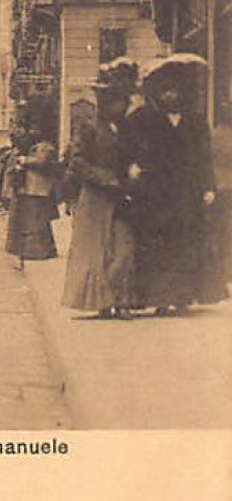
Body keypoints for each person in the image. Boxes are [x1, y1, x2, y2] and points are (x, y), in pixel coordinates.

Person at [127, 56, 228, 315]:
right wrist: (134, 167)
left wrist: (208, 187)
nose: (171, 95)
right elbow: (128, 149)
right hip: (155, 191)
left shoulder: (195, 120)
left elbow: (204, 157)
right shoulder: (141, 118)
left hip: (186, 191)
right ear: (158, 92)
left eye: (176, 90)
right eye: (165, 90)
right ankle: (160, 298)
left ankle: (182, 296)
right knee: (158, 243)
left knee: (184, 242)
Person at [61, 63, 139, 320]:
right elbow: (78, 162)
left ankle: (121, 299)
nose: (122, 106)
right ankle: (104, 304)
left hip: (121, 196)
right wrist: (108, 179)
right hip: (95, 198)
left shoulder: (126, 129)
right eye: (118, 101)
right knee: (95, 251)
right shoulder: (88, 128)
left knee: (123, 248)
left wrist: (133, 172)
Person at [5, 132, 58, 268]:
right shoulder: (38, 146)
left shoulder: (46, 147)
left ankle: (39, 251)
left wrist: (25, 160)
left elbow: (43, 162)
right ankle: (33, 250)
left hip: (38, 189)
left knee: (37, 222)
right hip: (31, 188)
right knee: (32, 222)